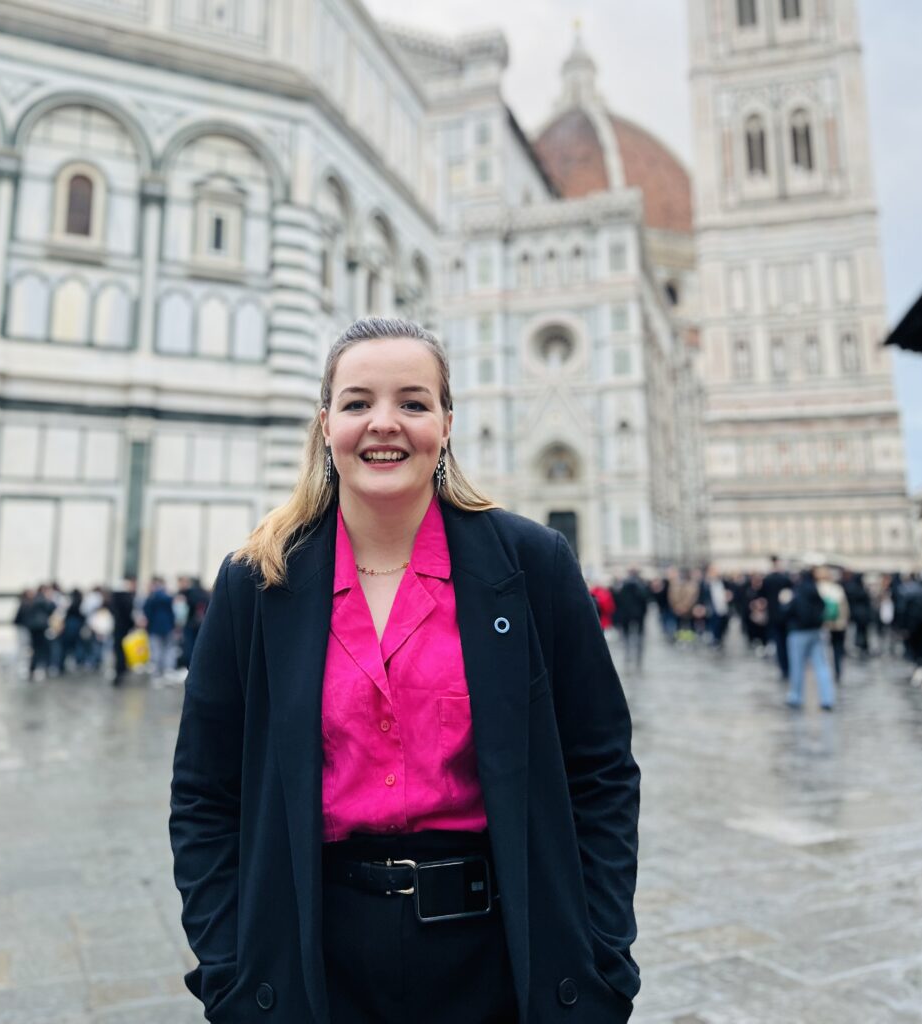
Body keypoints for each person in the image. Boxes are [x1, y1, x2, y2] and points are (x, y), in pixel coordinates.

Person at [170, 318, 640, 1024]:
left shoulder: (530, 565)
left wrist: (602, 956)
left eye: (413, 404)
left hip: (503, 956)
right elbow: (205, 792)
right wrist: (229, 968)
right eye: (358, 403)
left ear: (446, 424)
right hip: (311, 961)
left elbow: (601, 772)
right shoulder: (258, 582)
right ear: (326, 424)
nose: (384, 424)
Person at [785, 568, 835, 711]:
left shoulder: (798, 591)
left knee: (797, 665)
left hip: (799, 632)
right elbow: (823, 608)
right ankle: (827, 698)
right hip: (816, 631)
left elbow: (790, 610)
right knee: (821, 666)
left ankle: (796, 696)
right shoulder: (815, 591)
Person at [815, 566, 849, 684]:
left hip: (822, 624)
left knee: (822, 651)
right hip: (838, 625)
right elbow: (844, 608)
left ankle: (823, 673)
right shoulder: (837, 588)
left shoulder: (816, 588)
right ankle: (838, 671)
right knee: (837, 649)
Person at [761, 555, 792, 680]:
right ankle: (788, 666)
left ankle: (783, 667)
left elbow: (762, 597)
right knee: (786, 641)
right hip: (785, 614)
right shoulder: (785, 578)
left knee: (779, 642)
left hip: (773, 615)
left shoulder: (767, 579)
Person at [143, 576, 176, 683]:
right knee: (168, 649)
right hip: (168, 627)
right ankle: (167, 671)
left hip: (154, 628)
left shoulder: (151, 597)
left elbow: (147, 612)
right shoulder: (168, 597)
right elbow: (173, 612)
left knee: (156, 650)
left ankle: (157, 673)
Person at [616, 568, 648, 669]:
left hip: (626, 614)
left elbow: (618, 599)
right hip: (638, 614)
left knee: (627, 635)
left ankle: (628, 653)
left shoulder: (623, 585)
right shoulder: (641, 585)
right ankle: (637, 654)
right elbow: (645, 599)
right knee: (639, 635)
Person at [108, 577, 137, 686]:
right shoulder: (127, 598)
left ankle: (119, 671)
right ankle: (122, 670)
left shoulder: (115, 598)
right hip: (125, 628)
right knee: (122, 651)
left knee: (118, 651)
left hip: (117, 628)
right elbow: (129, 614)